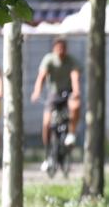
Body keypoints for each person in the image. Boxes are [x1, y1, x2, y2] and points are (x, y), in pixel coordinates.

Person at [31, 38, 81, 171]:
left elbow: (75, 77)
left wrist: (76, 92)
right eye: (58, 48)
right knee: (46, 123)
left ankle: (71, 133)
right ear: (54, 49)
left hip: (68, 93)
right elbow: (41, 76)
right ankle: (47, 155)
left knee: (75, 106)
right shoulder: (49, 60)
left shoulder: (71, 61)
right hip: (54, 94)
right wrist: (36, 92)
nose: (61, 51)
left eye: (63, 48)